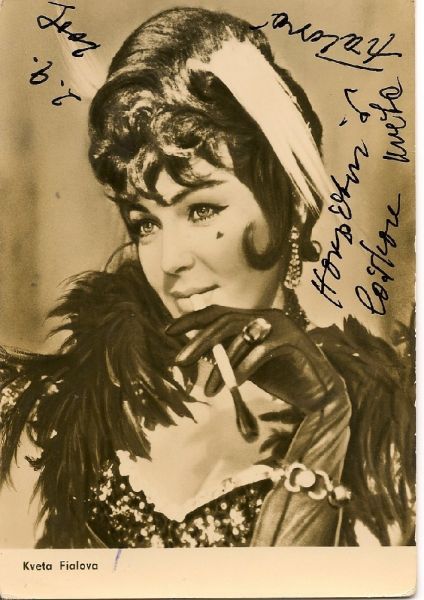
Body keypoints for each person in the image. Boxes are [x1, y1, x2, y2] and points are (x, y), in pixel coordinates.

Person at [0, 7, 414, 548]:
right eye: (145, 222)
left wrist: (328, 419)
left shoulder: (395, 437)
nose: (169, 260)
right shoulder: (68, 408)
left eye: (201, 210)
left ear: (291, 204)